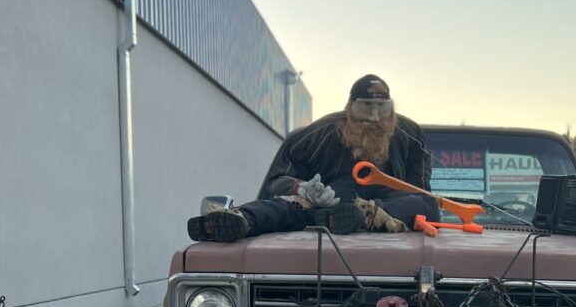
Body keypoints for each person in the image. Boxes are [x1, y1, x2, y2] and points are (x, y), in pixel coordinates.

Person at [188, 74, 440, 243]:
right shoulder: (316, 135)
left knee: (428, 205)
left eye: (382, 108)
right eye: (366, 108)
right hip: (323, 209)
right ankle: (239, 219)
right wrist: (303, 188)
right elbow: (278, 180)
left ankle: (363, 215)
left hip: (388, 209)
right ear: (349, 107)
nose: (375, 117)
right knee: (285, 207)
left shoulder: (410, 134)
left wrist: (373, 211)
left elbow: (421, 196)